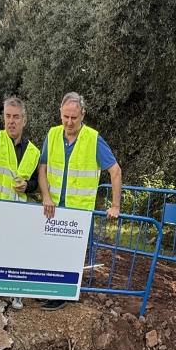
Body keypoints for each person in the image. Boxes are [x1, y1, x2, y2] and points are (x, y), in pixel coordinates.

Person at [37, 91, 123, 311]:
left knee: (70, 254)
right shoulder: (53, 134)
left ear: (83, 115)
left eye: (74, 117)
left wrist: (115, 206)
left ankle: (62, 294)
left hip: (78, 212)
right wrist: (46, 196)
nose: (69, 122)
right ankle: (48, 289)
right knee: (50, 251)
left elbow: (115, 171)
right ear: (60, 113)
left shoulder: (93, 139)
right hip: (53, 208)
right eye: (65, 116)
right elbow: (42, 168)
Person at [0, 97, 41, 310]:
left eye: (16, 117)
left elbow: (36, 183)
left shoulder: (33, 152)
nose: (11, 121)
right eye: (8, 116)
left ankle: (16, 292)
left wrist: (27, 186)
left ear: (24, 121)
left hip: (17, 210)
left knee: (15, 251)